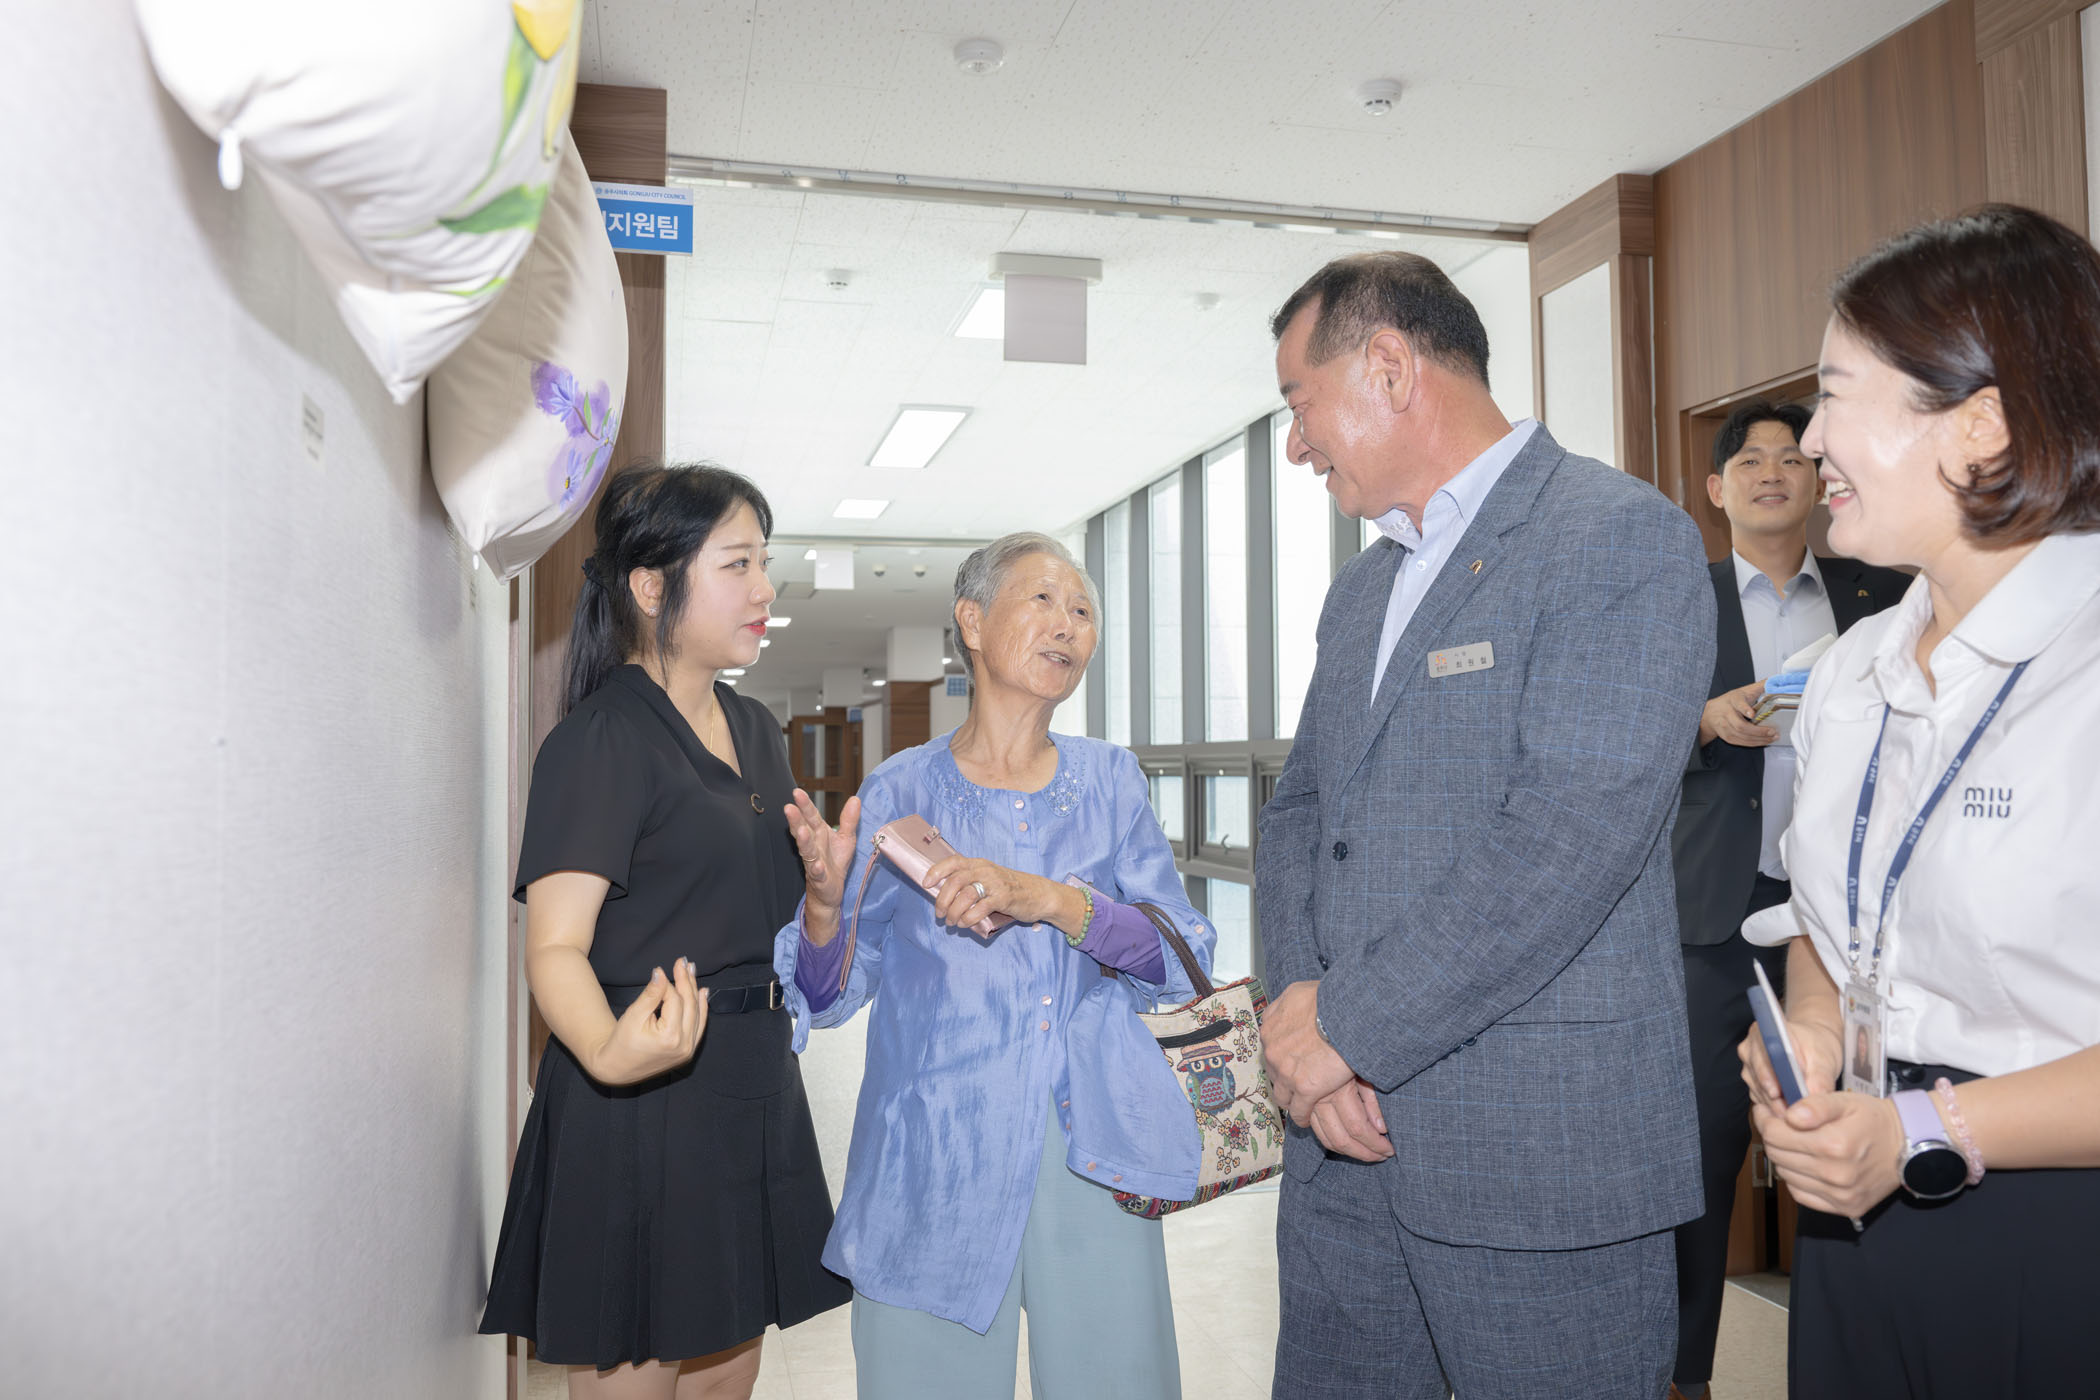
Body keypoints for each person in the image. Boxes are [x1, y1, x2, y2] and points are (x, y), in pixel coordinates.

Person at [1255, 250, 1716, 1398]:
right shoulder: (1360, 590)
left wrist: (1347, 1024)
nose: (1296, 445)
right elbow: (1301, 812)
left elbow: (1568, 835)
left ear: (1390, 365)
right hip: (1340, 1155)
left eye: (1300, 403)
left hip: (1537, 1161)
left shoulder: (1617, 537)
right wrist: (1302, 1027)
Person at [1738, 204, 2100, 1396]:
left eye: (1835, 396)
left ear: (1980, 426)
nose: (1808, 441)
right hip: (1858, 1206)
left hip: (2060, 1227)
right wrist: (1811, 1040)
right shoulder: (1849, 673)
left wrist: (1922, 1131)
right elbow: (1823, 923)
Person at [773, 532, 1216, 1400]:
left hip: (1092, 1142)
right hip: (931, 1150)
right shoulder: (903, 788)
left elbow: (1182, 959)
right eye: (1043, 600)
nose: (1068, 625)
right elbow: (829, 994)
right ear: (972, 623)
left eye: (1083, 610)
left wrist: (1051, 900)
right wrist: (823, 910)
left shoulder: (1111, 781)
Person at [481, 464, 849, 1399]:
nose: (765, 590)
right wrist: (609, 1053)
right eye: (738, 564)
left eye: (765, 563)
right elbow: (553, 947)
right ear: (652, 587)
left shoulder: (757, 729)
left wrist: (822, 898)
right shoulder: (602, 739)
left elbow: (770, 935)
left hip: (751, 1085)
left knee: (728, 1377)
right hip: (642, 1098)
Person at [1667, 399, 1906, 1400]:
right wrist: (1702, 720)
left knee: (1855, 1138)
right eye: (1749, 461)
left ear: (1818, 482)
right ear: (1715, 489)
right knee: (1698, 1157)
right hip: (1712, 924)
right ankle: (1683, 1377)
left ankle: (1857, 1364)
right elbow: (1621, 737)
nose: (1772, 473)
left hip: (1847, 928)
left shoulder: (1882, 592)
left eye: (1790, 459)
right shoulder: (1676, 600)